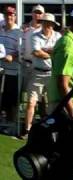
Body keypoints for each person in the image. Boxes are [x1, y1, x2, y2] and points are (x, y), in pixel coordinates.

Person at [21, 13, 61, 139]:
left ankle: (51, 132)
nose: (47, 25)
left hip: (51, 73)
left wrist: (46, 51)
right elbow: (37, 52)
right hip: (37, 73)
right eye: (45, 22)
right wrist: (51, 52)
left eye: (49, 23)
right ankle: (27, 131)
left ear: (53, 25)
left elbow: (59, 52)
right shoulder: (35, 35)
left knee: (52, 105)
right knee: (31, 103)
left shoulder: (58, 36)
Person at [0, 6, 23, 135]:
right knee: (2, 99)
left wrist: (12, 56)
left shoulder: (18, 32)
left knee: (12, 101)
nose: (9, 17)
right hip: (1, 69)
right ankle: (3, 123)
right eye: (7, 15)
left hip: (13, 70)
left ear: (15, 17)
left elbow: (21, 50)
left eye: (11, 15)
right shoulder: (1, 30)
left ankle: (12, 126)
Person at [21, 5, 45, 94]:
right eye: (36, 12)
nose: (37, 15)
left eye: (40, 13)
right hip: (26, 65)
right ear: (32, 14)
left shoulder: (45, 29)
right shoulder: (24, 28)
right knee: (24, 92)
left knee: (41, 94)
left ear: (43, 14)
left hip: (41, 66)